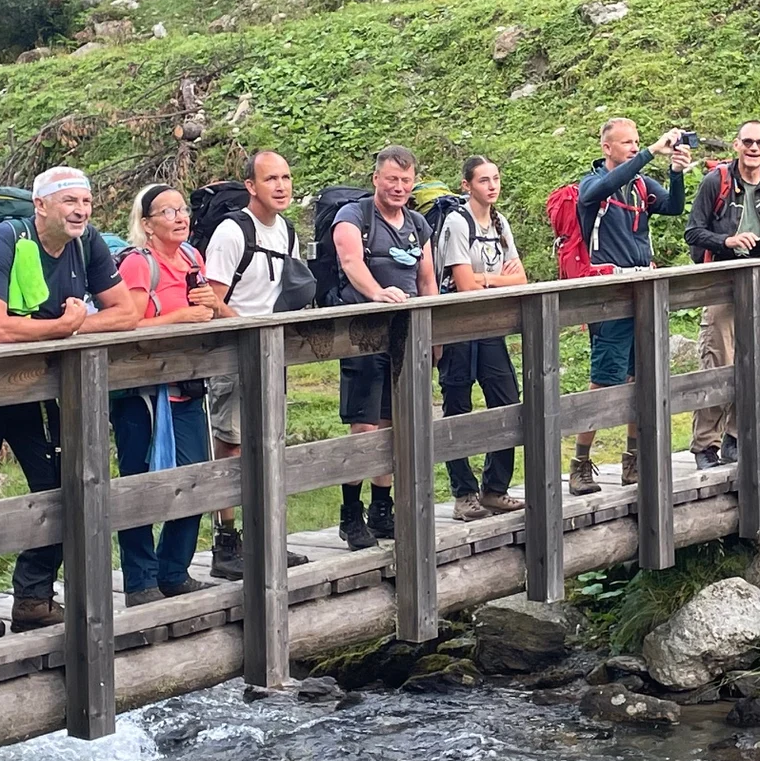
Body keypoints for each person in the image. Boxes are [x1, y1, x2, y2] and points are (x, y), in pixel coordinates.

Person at [0, 166, 139, 642]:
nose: (81, 211)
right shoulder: (5, 239)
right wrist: (63, 326)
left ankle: (33, 596)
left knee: (58, 484)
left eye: (87, 202)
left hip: (41, 388)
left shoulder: (85, 242)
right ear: (41, 206)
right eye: (70, 201)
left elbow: (128, 312)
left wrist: (72, 324)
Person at [569, 120, 692, 497]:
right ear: (606, 147)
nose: (633, 147)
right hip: (608, 292)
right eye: (626, 143)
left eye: (636, 142)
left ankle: (633, 460)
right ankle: (580, 463)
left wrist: (675, 174)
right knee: (604, 378)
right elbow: (605, 186)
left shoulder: (639, 186)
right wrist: (651, 152)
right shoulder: (591, 185)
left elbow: (671, 207)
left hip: (643, 288)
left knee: (640, 376)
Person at [202, 150, 308, 580]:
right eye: (271, 179)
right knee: (230, 444)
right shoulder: (231, 232)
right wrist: (247, 330)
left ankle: (265, 538)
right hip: (232, 352)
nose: (281, 186)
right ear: (251, 186)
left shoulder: (286, 230)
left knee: (268, 444)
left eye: (285, 177)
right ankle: (225, 544)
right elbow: (212, 299)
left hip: (271, 352)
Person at [111, 183, 217, 605]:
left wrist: (210, 307)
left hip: (188, 385)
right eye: (167, 211)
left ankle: (175, 570)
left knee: (197, 481)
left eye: (182, 209)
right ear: (146, 223)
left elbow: (209, 313)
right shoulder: (139, 265)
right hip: (143, 391)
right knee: (141, 484)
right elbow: (128, 324)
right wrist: (182, 317)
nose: (179, 217)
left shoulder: (192, 257)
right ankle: (140, 581)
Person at [331, 145, 438, 549]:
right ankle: (349, 512)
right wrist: (377, 293)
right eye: (391, 179)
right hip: (363, 332)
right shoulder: (353, 217)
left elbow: (427, 278)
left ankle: (381, 509)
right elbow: (350, 261)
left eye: (406, 181)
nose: (398, 187)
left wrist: (434, 331)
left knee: (395, 423)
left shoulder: (417, 224)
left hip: (406, 335)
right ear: (376, 178)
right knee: (365, 423)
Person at [683, 121, 760, 470]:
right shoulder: (715, 182)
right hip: (719, 284)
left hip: (758, 287)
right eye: (747, 142)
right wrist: (727, 241)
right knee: (718, 364)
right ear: (736, 145)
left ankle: (736, 438)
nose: (753, 148)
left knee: (752, 364)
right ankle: (705, 446)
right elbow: (693, 232)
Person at [435, 156, 527, 521]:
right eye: (483, 180)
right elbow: (463, 284)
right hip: (457, 327)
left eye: (496, 178)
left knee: (507, 401)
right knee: (457, 407)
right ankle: (464, 494)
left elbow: (520, 279)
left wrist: (485, 278)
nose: (492, 185)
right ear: (466, 185)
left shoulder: (500, 222)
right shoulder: (457, 223)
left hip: (491, 324)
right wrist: (493, 278)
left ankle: (495, 488)